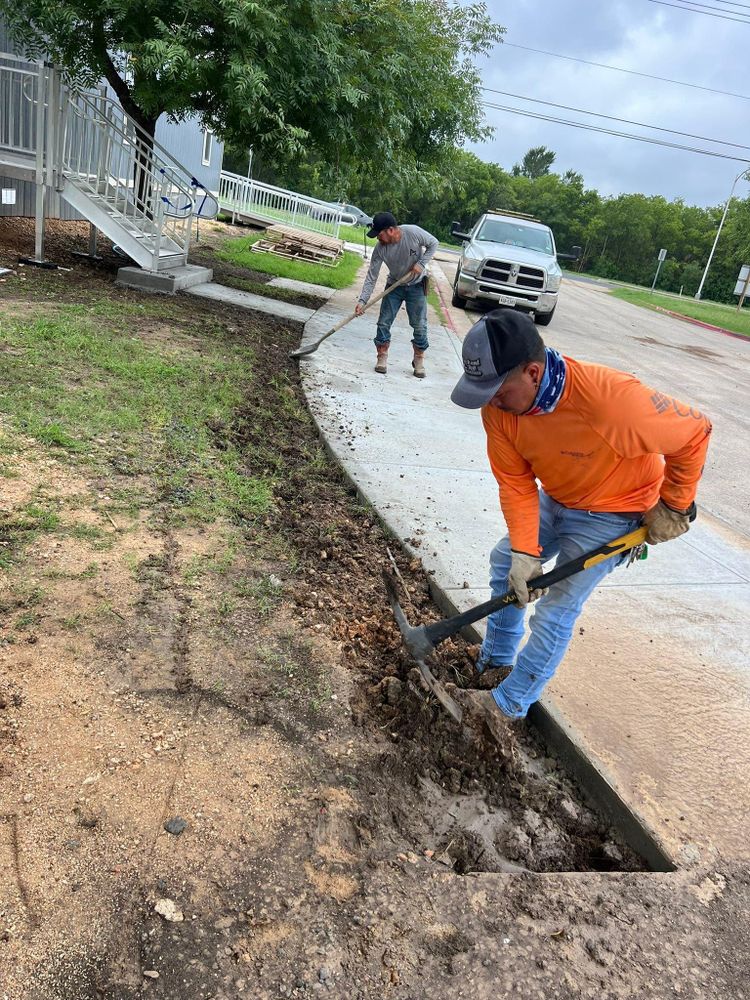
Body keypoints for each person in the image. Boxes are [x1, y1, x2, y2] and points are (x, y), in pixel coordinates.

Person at [448, 309, 712, 740]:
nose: (490, 402)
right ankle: (496, 660)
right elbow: (514, 481)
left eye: (497, 390)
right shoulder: (500, 408)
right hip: (558, 496)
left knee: (557, 608)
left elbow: (696, 431)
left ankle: (508, 705)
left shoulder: (614, 403)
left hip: (616, 512)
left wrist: (675, 504)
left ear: (533, 373)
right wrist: (524, 552)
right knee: (505, 563)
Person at [355, 212, 438, 377]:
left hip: (416, 285)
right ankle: (382, 356)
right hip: (394, 286)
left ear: (391, 230)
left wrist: (421, 263)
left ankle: (419, 358)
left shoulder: (413, 232)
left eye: (379, 234)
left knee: (419, 325)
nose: (378, 238)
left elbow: (434, 243)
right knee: (384, 322)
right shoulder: (380, 249)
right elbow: (372, 276)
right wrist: (363, 300)